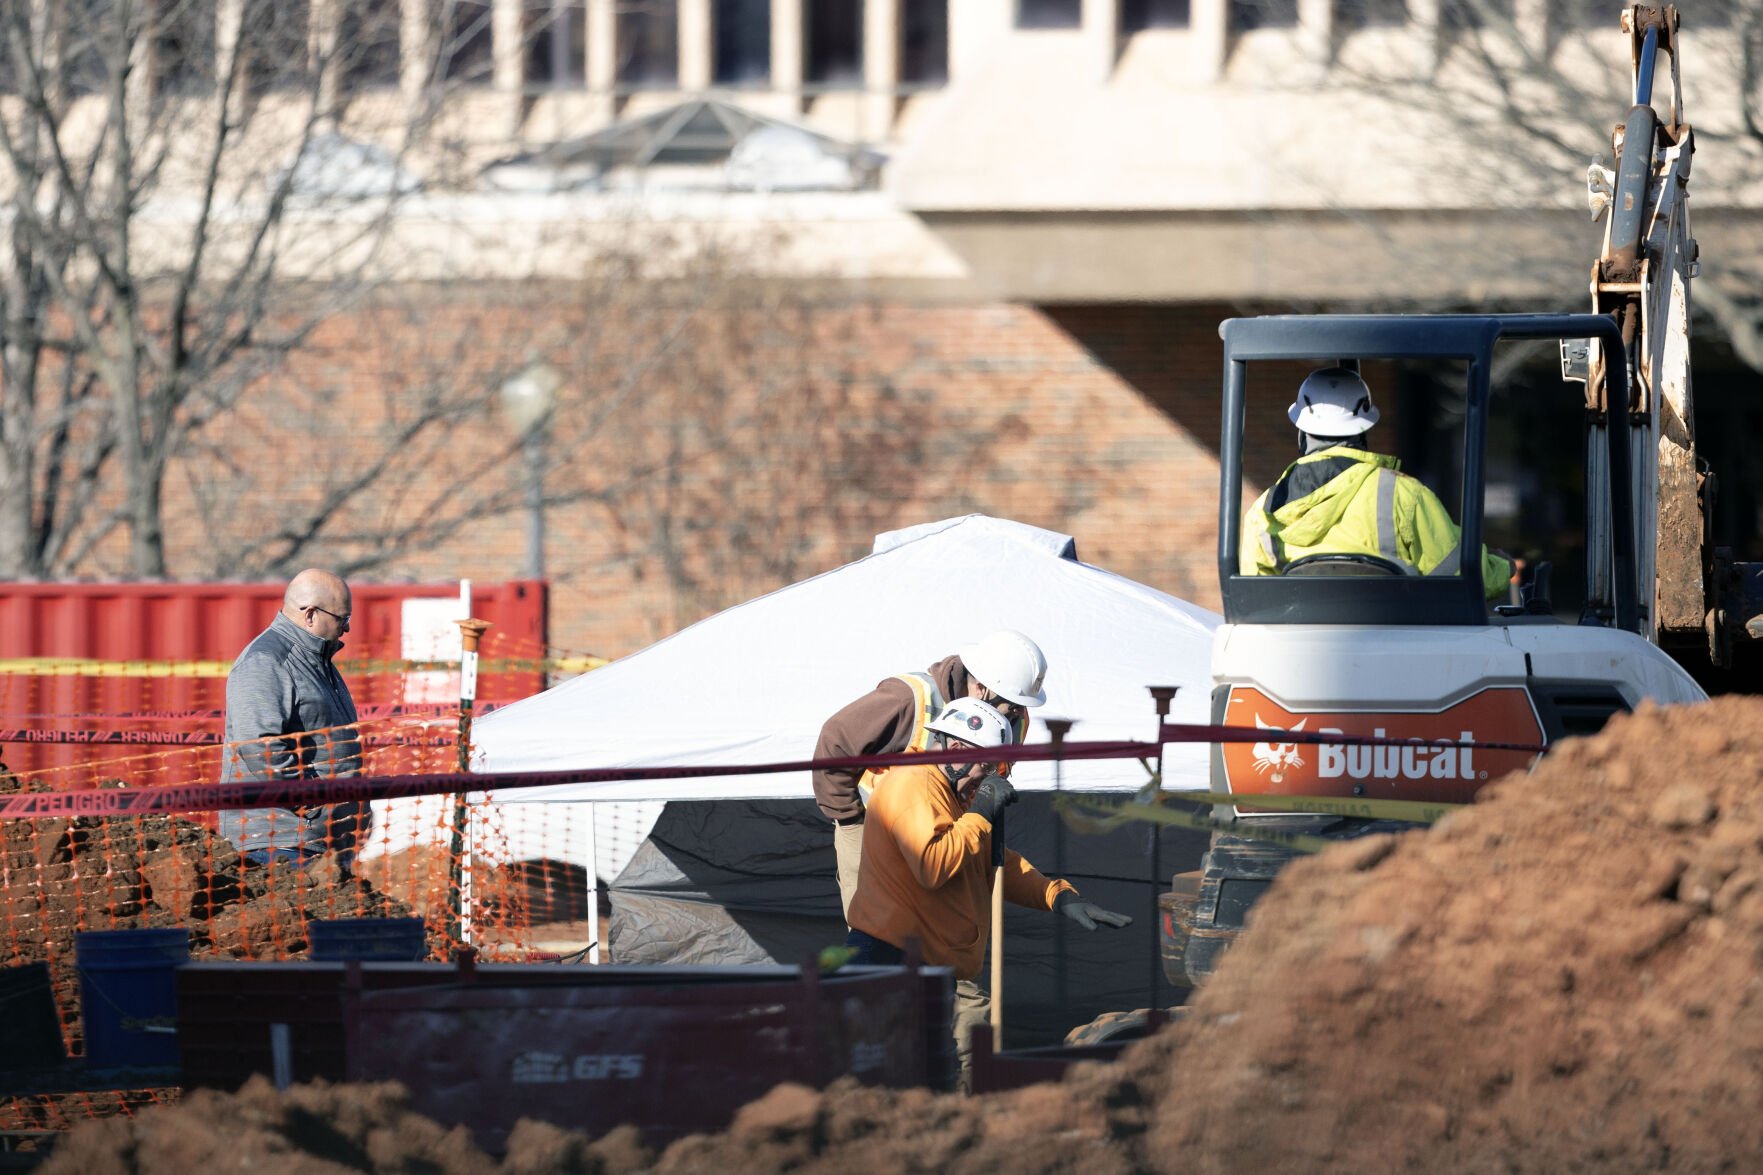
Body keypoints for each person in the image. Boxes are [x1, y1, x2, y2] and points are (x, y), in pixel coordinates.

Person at [844, 696, 1132, 1091]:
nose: (991, 777)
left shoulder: (951, 792)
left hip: (922, 966)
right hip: (888, 962)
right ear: (956, 749)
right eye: (988, 766)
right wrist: (981, 812)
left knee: (927, 1086)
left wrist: (1057, 895)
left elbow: (992, 861)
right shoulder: (914, 783)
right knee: (890, 1086)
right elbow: (933, 863)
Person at [813, 629, 1049, 919]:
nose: (1016, 714)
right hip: (874, 829)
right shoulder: (909, 698)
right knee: (876, 930)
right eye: (1012, 705)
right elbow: (835, 740)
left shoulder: (1012, 721)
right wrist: (850, 820)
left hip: (951, 837)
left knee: (933, 931)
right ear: (981, 689)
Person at [1240, 366, 1513, 597]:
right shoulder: (1404, 495)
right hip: (1395, 640)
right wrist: (1501, 566)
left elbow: (1255, 598)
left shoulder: (1263, 511)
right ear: (1364, 430)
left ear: (1301, 432)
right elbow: (1464, 575)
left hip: (1301, 644)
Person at [218, 568, 370, 871]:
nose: (347, 629)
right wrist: (311, 802)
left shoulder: (317, 664)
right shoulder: (267, 661)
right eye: (342, 619)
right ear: (310, 614)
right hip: (280, 845)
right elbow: (260, 747)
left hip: (319, 842)